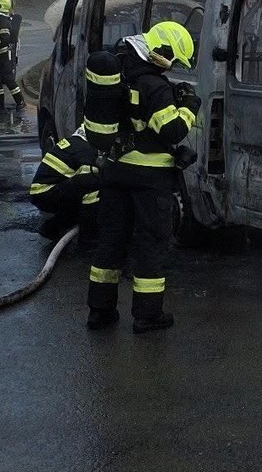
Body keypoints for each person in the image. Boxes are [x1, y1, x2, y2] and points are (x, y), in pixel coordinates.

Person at [86, 21, 200, 334]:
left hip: (114, 170)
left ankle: (100, 312)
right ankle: (148, 316)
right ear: (163, 53)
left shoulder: (119, 68)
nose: (173, 66)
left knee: (111, 241)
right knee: (151, 244)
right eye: (174, 60)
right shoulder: (155, 85)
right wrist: (190, 105)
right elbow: (172, 130)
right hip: (150, 178)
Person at [29, 127, 99, 248]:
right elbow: (88, 182)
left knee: (78, 194)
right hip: (47, 193)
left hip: (41, 192)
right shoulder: (86, 151)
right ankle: (88, 240)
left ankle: (51, 228)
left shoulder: (76, 142)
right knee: (92, 185)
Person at [0, 0, 24, 110]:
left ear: (0, 7)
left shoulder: (4, 22)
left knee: (8, 79)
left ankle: (20, 101)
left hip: (4, 56)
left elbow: (5, 39)